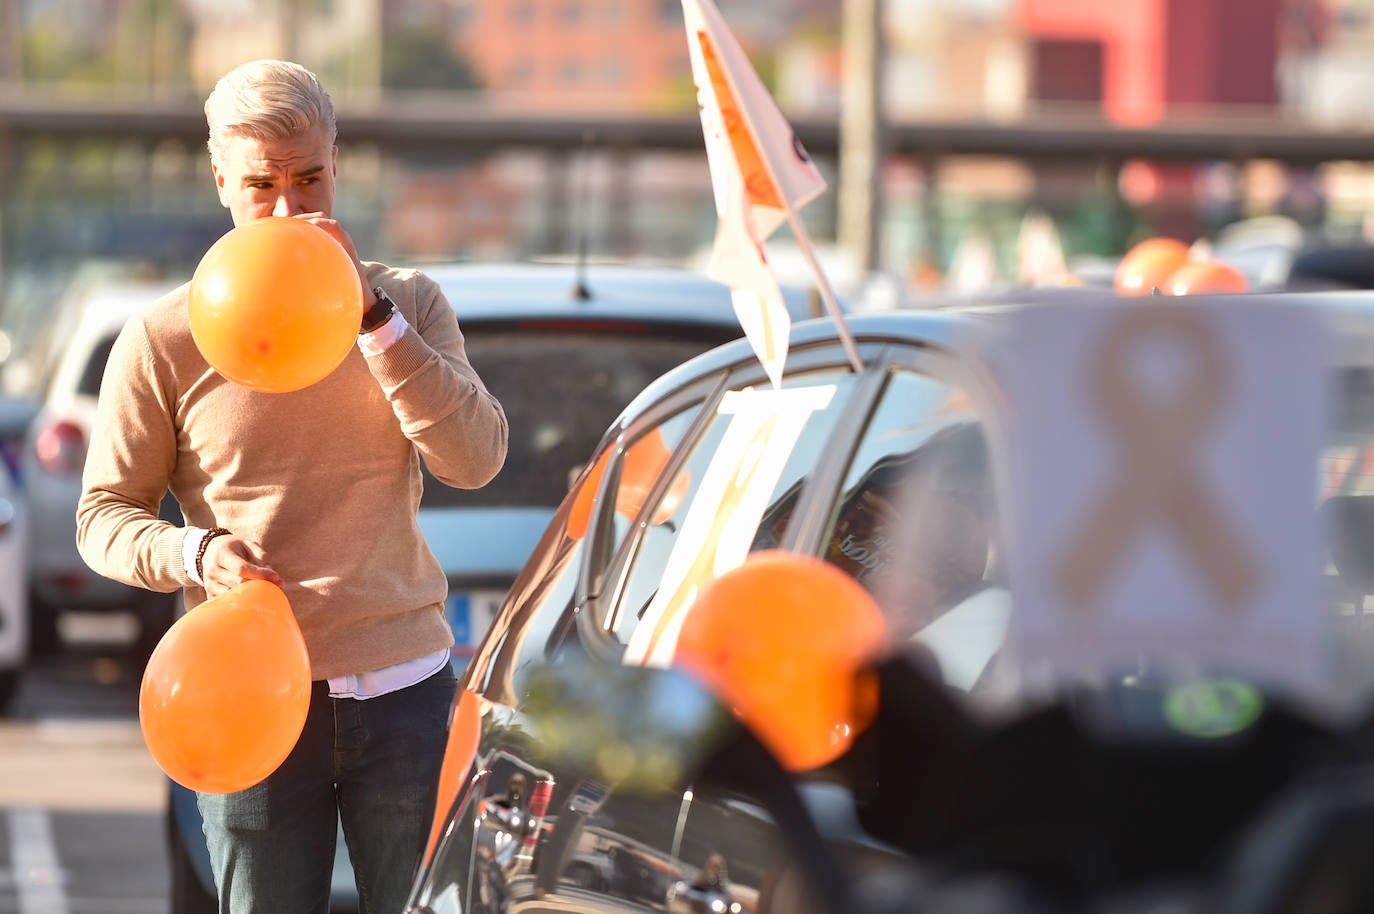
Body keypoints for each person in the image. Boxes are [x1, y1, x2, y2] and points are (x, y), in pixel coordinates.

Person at [76, 59, 508, 914]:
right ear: (220, 182)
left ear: (337, 162)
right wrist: (195, 552)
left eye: (309, 180)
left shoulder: (409, 303)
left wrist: (374, 320)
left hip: (406, 688)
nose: (287, 210)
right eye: (260, 186)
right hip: (246, 696)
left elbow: (476, 459)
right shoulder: (164, 337)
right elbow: (103, 518)